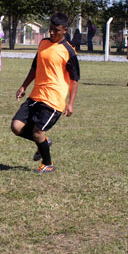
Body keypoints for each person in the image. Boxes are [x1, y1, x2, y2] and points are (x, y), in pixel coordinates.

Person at [12, 12, 79, 174]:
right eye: (50, 29)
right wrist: (24, 86)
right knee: (16, 126)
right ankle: (44, 142)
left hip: (54, 100)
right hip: (36, 95)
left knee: (37, 132)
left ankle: (47, 163)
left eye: (56, 30)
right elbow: (35, 67)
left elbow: (75, 78)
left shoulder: (68, 51)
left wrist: (70, 103)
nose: (52, 32)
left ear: (65, 30)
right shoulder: (43, 43)